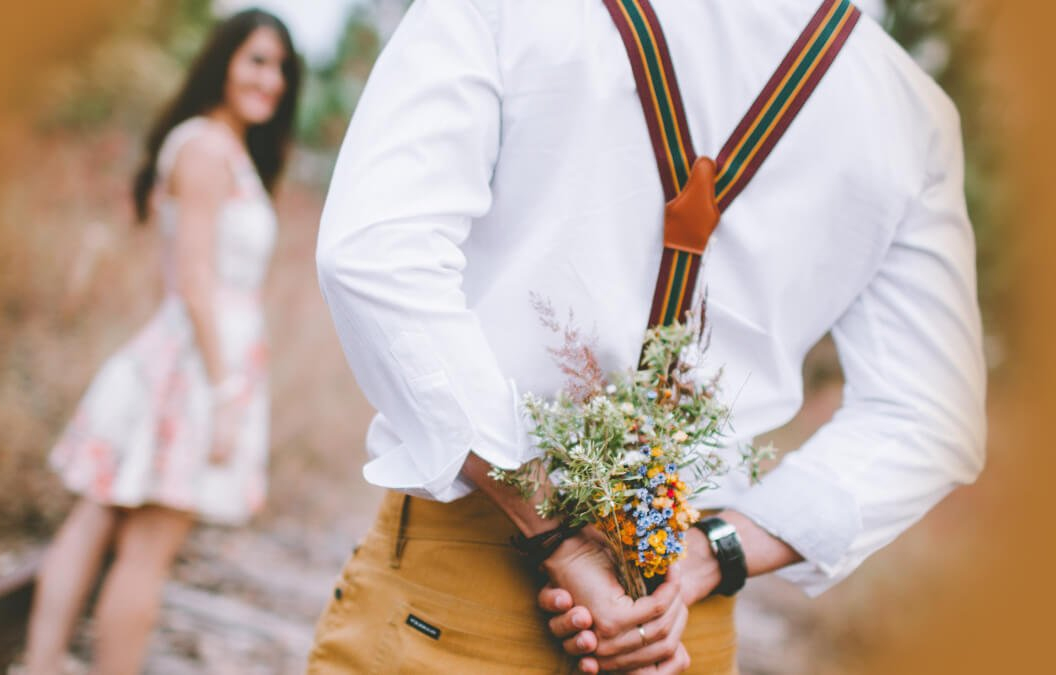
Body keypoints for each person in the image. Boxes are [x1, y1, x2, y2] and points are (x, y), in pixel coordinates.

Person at [307, 0, 985, 673]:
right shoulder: (911, 113)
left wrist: (562, 534)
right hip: (676, 634)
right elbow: (930, 413)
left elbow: (374, 253)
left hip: (455, 605)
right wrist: (707, 553)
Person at [22, 9, 300, 674]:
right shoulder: (206, 148)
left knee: (99, 515)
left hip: (182, 353)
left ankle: (39, 662)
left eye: (283, 67)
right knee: (146, 546)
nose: (272, 79)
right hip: (201, 367)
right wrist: (225, 390)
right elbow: (198, 279)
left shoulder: (217, 147)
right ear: (224, 61)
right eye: (257, 60)